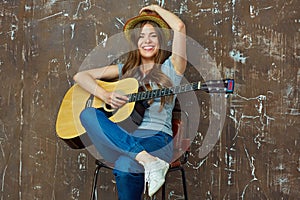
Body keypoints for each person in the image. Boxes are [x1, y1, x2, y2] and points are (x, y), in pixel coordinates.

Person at [73, 4, 186, 199]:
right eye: (141, 36)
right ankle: (147, 160)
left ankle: (146, 158)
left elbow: (179, 27)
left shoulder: (171, 68)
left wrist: (155, 8)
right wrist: (105, 95)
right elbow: (80, 76)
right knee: (88, 114)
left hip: (157, 139)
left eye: (153, 35)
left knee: (125, 165)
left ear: (160, 40)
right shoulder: (125, 70)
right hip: (121, 138)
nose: (147, 41)